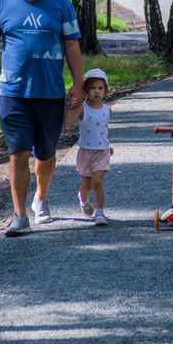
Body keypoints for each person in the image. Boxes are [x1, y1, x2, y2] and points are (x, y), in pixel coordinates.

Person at [0, 0, 83, 236]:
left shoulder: (61, 4)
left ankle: (41, 198)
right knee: (18, 152)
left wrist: (78, 84)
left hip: (50, 92)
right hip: (13, 92)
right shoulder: (2, 3)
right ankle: (20, 216)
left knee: (45, 154)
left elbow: (72, 46)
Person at [64, 68, 113, 226]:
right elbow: (67, 124)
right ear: (85, 91)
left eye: (100, 88)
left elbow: (103, 129)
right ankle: (83, 198)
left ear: (105, 90)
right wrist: (71, 108)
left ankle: (99, 212)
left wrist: (106, 144)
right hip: (86, 152)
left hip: (102, 153)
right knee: (87, 185)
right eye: (92, 88)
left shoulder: (107, 110)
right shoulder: (82, 109)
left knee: (97, 181)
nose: (96, 91)